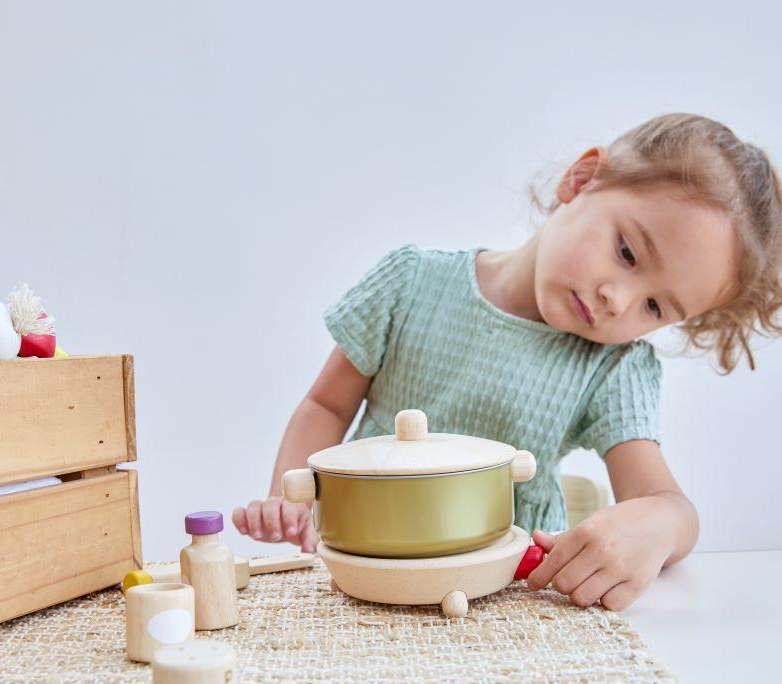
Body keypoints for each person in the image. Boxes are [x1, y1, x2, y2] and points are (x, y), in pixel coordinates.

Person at [232, 113, 782, 611]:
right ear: (582, 179)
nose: (619, 301)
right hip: (365, 580)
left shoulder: (612, 366)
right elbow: (325, 406)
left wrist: (659, 525)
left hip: (508, 604)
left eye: (655, 306)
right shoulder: (410, 283)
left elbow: (668, 504)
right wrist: (291, 497)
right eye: (627, 253)